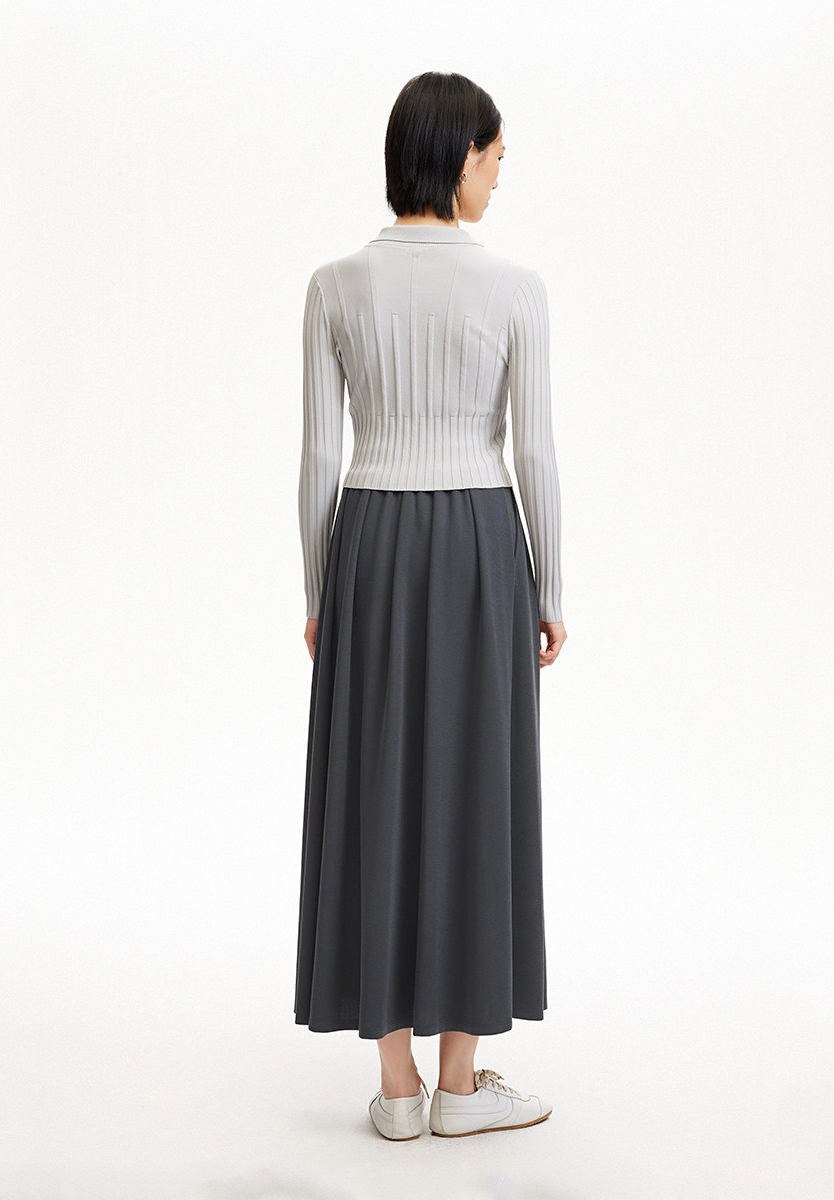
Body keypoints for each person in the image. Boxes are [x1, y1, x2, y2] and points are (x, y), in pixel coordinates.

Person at [294, 71, 567, 1141]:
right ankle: (462, 1082)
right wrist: (553, 586)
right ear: (458, 160)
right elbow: (534, 453)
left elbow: (319, 458)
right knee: (474, 790)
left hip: (368, 543)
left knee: (374, 786)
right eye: (494, 159)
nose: (499, 177)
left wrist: (320, 588)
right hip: (479, 547)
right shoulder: (515, 289)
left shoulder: (333, 287)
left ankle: (398, 1088)